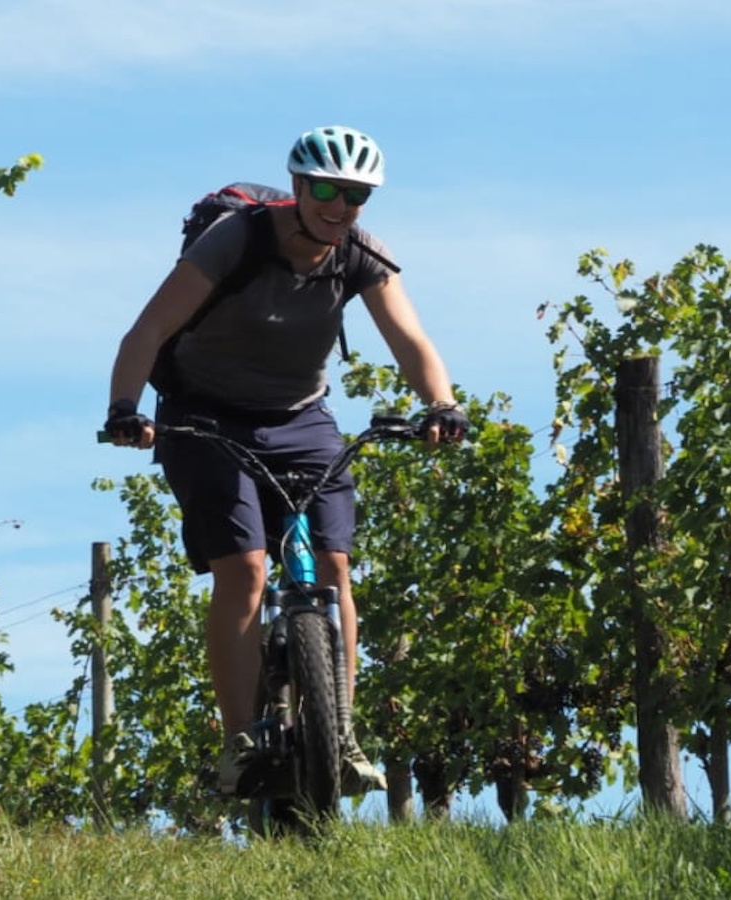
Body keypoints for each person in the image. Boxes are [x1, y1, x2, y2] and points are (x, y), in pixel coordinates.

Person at [103, 125, 468, 797]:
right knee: (243, 568)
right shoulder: (237, 240)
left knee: (334, 567)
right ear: (298, 187)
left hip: (301, 418)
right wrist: (127, 408)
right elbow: (147, 330)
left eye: (355, 195)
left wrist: (441, 404)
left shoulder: (360, 253)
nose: (340, 205)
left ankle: (344, 735)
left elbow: (409, 338)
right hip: (203, 414)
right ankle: (239, 742)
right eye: (327, 189)